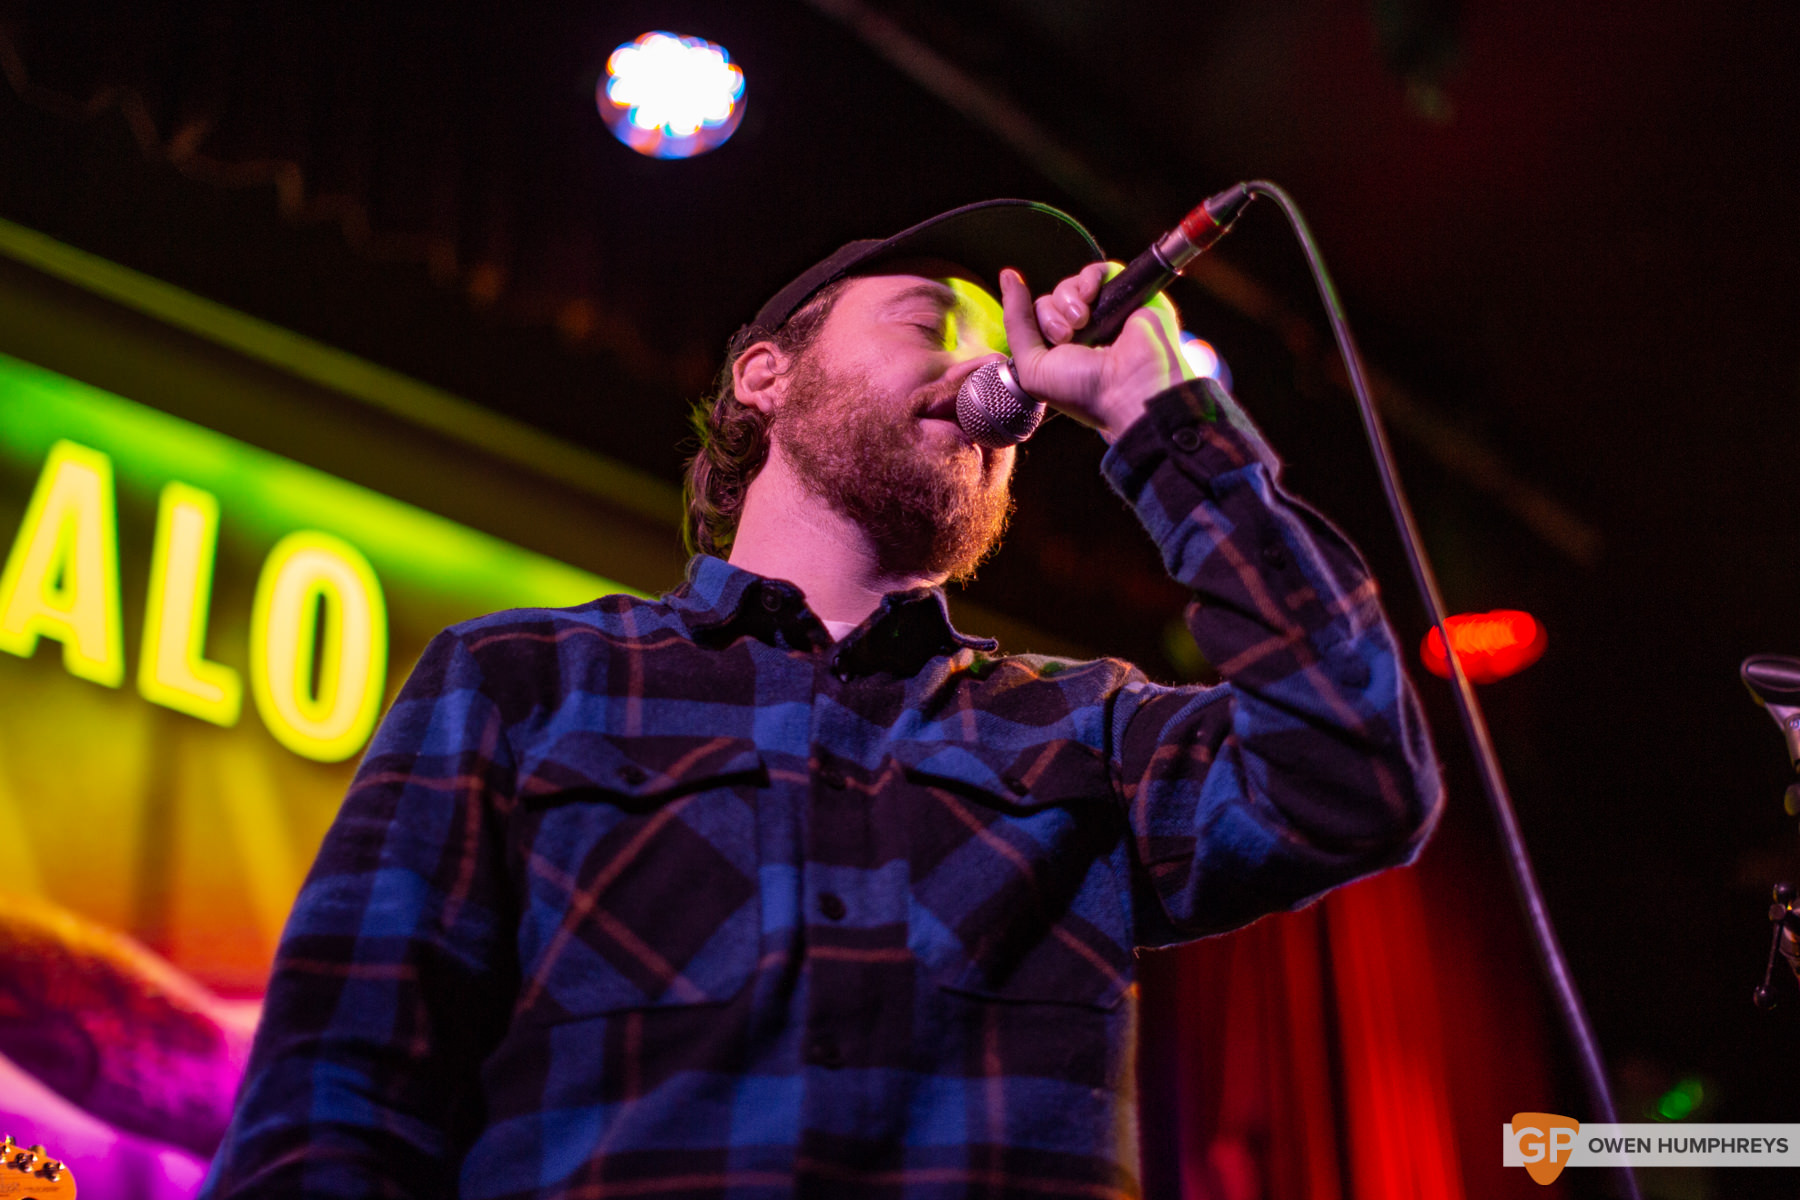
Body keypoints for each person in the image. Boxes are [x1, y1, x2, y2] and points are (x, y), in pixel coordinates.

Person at [201, 200, 1443, 1199]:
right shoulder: (523, 681)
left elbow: (1356, 777)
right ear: (765, 377)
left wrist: (1158, 420)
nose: (984, 374)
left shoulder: (1088, 732)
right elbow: (333, 1100)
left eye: (994, 352)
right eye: (930, 324)